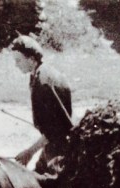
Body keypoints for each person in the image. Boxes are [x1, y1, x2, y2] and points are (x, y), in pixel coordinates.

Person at [11, 35, 73, 175]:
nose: (16, 65)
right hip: (51, 145)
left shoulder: (43, 82)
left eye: (18, 60)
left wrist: (29, 152)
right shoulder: (40, 73)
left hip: (58, 151)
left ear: (31, 59)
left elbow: (55, 130)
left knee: (46, 183)